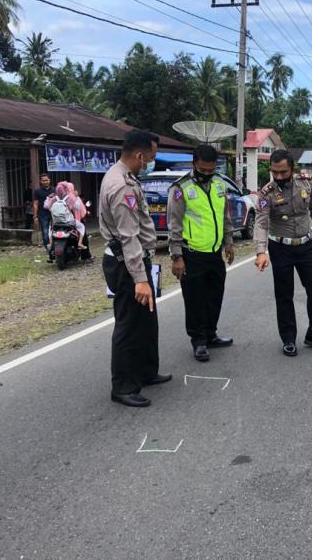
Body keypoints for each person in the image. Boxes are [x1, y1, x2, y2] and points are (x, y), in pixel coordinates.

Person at [99, 129, 170, 408]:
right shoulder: (121, 186)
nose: (150, 163)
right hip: (127, 263)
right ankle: (124, 386)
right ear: (139, 155)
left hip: (137, 259)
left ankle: (146, 372)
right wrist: (139, 277)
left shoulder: (126, 177)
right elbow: (128, 236)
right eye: (150, 158)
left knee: (146, 321)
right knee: (129, 325)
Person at [254, 149, 312, 357]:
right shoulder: (266, 193)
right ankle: (288, 339)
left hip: (305, 246)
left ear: (292, 168)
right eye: (275, 173)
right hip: (280, 247)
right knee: (284, 295)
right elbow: (261, 222)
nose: (279, 177)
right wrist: (260, 252)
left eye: (283, 172)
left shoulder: (306, 185)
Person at [167, 144, 235, 362]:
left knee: (215, 296)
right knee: (195, 300)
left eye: (211, 170)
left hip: (214, 254)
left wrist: (229, 242)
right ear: (194, 163)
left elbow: (224, 216)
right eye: (203, 169)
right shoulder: (180, 188)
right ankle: (198, 341)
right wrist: (177, 257)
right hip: (192, 253)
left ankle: (211, 334)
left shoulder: (219, 184)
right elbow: (174, 224)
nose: (207, 174)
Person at [32, 174, 55, 254]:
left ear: (49, 180)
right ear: (40, 181)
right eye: (43, 180)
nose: (45, 182)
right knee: (45, 233)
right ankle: (48, 249)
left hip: (54, 214)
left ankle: (55, 247)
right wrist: (35, 216)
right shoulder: (38, 191)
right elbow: (35, 203)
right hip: (42, 214)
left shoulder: (54, 190)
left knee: (54, 231)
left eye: (47, 180)